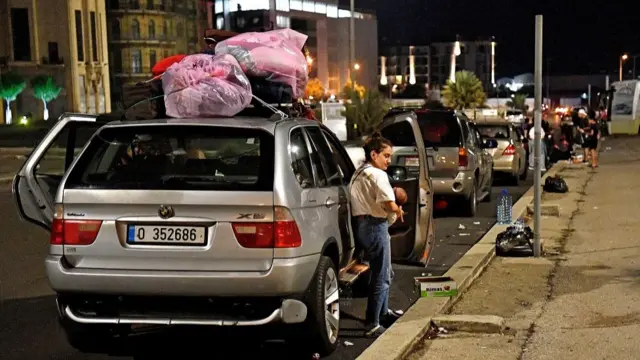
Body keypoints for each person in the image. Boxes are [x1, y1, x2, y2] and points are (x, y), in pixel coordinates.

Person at [349, 133, 404, 337]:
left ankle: (383, 313)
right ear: (374, 154)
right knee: (381, 275)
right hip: (375, 225)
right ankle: (372, 322)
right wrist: (398, 210)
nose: (389, 160)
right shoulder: (378, 174)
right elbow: (389, 203)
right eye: (386, 156)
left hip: (362, 225)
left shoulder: (359, 172)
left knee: (384, 272)